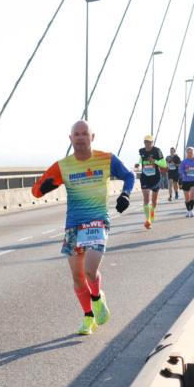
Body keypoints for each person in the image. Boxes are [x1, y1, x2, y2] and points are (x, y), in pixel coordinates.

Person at [32, 121, 134, 335]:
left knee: (90, 270)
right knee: (78, 277)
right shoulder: (63, 166)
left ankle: (97, 298)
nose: (80, 137)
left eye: (84, 134)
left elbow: (129, 175)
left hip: (97, 221)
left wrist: (125, 194)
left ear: (92, 137)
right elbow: (36, 192)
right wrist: (44, 187)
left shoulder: (106, 159)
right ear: (70, 139)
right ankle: (89, 317)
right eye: (76, 134)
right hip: (73, 226)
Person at [137, 135, 166, 229]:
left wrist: (154, 161)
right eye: (145, 142)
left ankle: (152, 211)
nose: (147, 144)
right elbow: (141, 159)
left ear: (152, 142)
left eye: (149, 142)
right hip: (145, 177)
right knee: (146, 197)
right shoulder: (141, 151)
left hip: (155, 178)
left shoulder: (157, 151)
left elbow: (164, 164)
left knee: (154, 200)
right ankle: (148, 219)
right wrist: (138, 163)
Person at [179, 146, 194, 217]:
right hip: (186, 181)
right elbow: (180, 170)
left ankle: (191, 210)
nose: (190, 153)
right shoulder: (183, 162)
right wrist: (185, 171)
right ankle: (188, 210)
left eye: (191, 152)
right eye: (188, 152)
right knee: (187, 198)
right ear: (186, 153)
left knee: (192, 195)